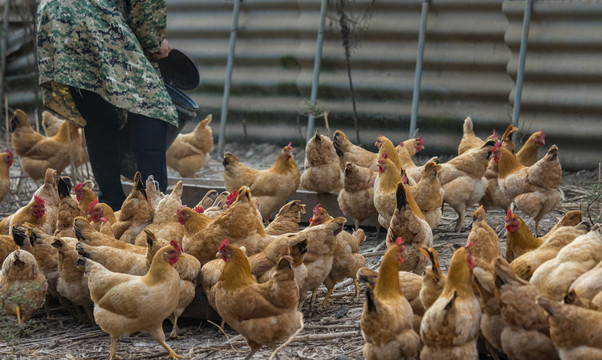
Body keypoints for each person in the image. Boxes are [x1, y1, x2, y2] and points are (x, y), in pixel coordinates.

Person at [36, 0, 178, 210]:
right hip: (90, 13)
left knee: (98, 112)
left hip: (55, 15)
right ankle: (152, 205)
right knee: (152, 104)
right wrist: (154, 41)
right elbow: (146, 5)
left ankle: (111, 205)